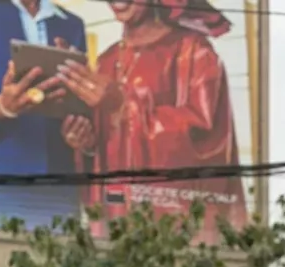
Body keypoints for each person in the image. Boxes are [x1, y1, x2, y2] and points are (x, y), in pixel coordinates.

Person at [57, 0, 247, 243]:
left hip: (173, 234)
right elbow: (104, 155)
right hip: (116, 220)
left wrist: (123, 106)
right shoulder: (107, 61)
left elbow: (204, 139)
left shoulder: (195, 53)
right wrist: (86, 144)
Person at [0, 0, 88, 230]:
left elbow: (78, 103)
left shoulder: (71, 25)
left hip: (57, 181)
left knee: (58, 263)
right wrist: (3, 106)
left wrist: (79, 127)